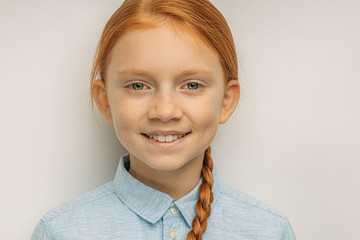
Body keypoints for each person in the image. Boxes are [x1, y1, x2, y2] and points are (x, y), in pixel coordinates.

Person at [32, 0, 296, 239]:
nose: (165, 111)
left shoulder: (270, 230)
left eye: (192, 85)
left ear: (226, 101)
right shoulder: (60, 232)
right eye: (137, 86)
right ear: (105, 100)